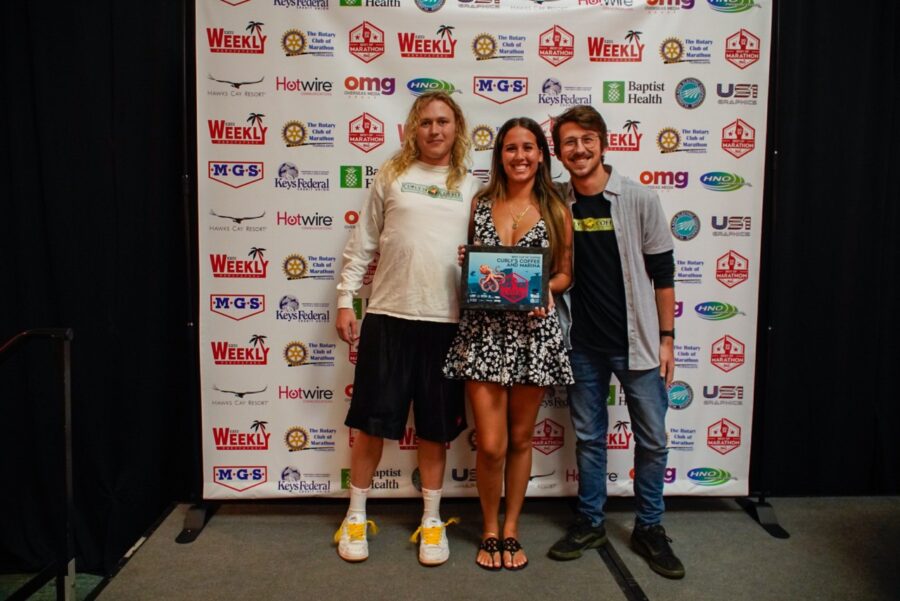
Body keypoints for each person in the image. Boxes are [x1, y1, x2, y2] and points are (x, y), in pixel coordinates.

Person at [334, 91, 481, 566]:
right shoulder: (391, 175)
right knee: (371, 424)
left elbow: (487, 256)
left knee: (435, 431)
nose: (434, 130)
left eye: (443, 121)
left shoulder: (471, 185)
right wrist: (345, 300)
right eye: (425, 123)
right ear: (412, 129)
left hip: (447, 322)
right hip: (389, 316)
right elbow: (363, 243)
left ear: (456, 127)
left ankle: (432, 521)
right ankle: (355, 514)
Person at [547, 105, 684, 579]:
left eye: (587, 139)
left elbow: (662, 275)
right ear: (558, 152)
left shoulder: (640, 199)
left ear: (604, 143)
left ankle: (650, 526)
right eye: (568, 142)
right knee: (588, 438)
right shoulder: (556, 203)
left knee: (652, 440)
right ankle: (590, 521)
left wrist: (667, 339)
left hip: (640, 344)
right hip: (582, 344)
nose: (579, 149)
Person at [443, 117, 574, 571]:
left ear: (542, 155)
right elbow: (477, 271)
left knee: (521, 439)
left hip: (534, 337)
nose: (520, 156)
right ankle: (488, 526)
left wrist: (548, 292)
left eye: (529, 147)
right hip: (483, 335)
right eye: (511, 148)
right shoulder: (481, 203)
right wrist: (469, 261)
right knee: (492, 444)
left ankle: (511, 528)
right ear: (499, 155)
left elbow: (563, 272)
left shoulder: (557, 208)